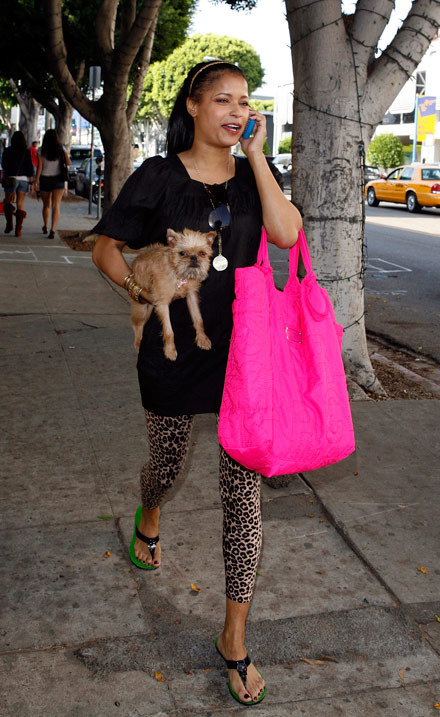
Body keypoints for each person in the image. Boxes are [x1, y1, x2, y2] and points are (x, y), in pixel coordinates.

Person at [92, 61, 302, 706]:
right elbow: (106, 248)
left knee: (243, 494)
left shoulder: (255, 174)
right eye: (223, 100)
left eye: (245, 101)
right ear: (193, 104)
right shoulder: (158, 175)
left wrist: (257, 158)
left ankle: (233, 637)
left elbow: (286, 234)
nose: (237, 112)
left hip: (244, 355)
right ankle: (150, 511)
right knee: (167, 462)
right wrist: (140, 289)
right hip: (174, 351)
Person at [34, 129, 70, 238]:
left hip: (45, 179)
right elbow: (68, 162)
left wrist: (36, 181)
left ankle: (45, 226)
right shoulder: (61, 149)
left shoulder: (41, 150)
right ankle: (53, 230)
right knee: (56, 205)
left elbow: (39, 167)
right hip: (58, 179)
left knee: (46, 205)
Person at [1, 131, 34, 237]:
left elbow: (3, 164)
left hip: (11, 178)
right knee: (20, 203)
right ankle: (18, 229)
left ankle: (9, 223)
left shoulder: (7, 151)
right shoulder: (26, 152)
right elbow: (30, 167)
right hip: (24, 179)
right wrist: (32, 181)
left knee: (8, 201)